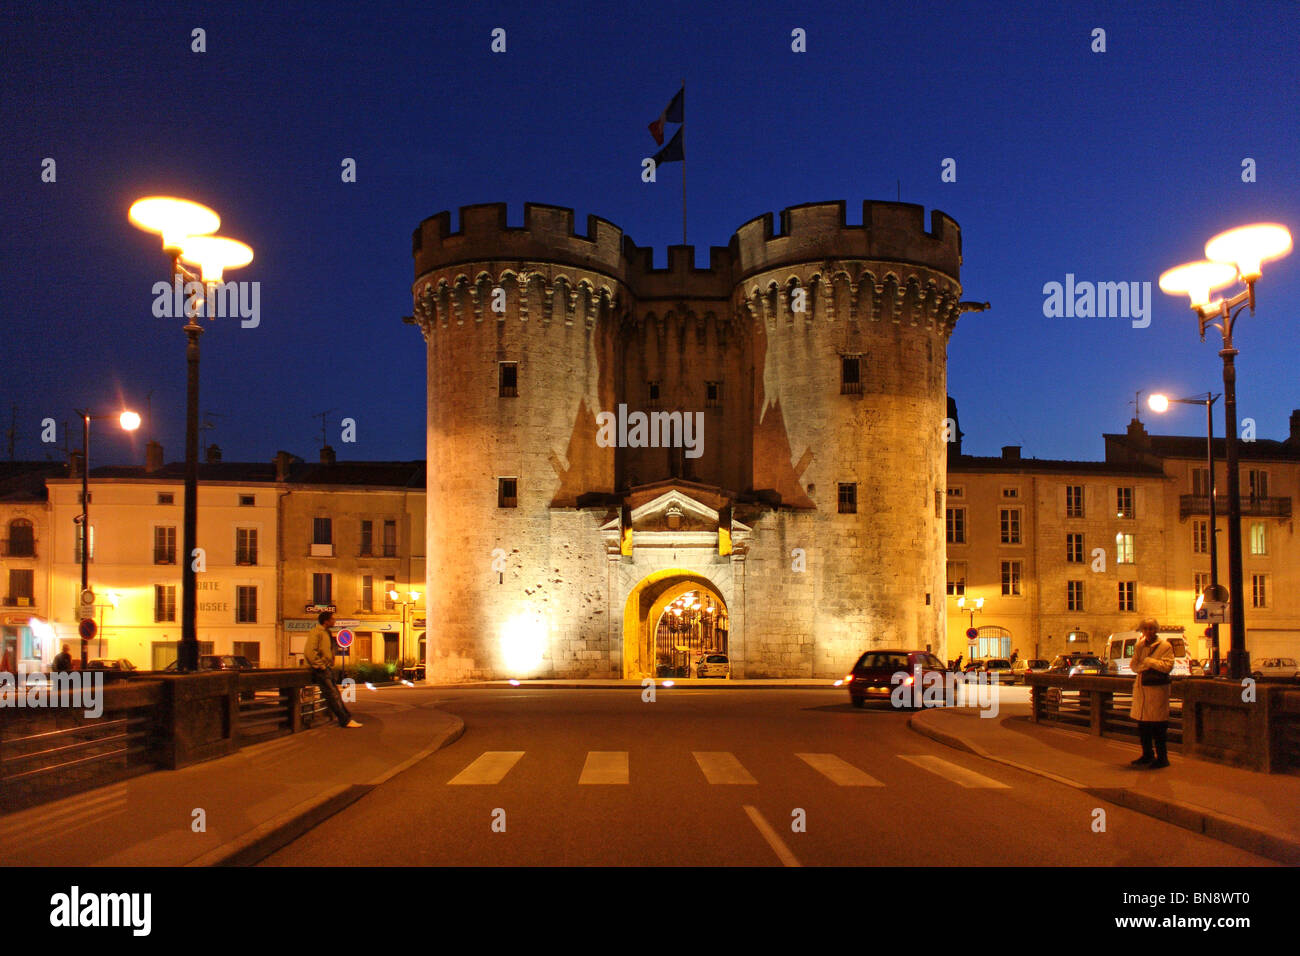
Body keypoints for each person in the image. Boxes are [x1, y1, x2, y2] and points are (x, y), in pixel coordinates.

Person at [302, 611, 362, 728]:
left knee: (335, 694)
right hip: (320, 670)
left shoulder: (326, 633)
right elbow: (309, 652)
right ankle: (345, 720)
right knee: (332, 695)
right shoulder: (316, 632)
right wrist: (320, 665)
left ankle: (346, 718)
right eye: (332, 619)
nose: (334, 621)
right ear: (326, 621)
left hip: (326, 668)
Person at [1129, 618, 1174, 768]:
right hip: (1142, 691)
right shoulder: (1139, 645)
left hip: (1157, 691)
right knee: (1143, 727)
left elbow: (1167, 666)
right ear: (1143, 630)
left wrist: (1149, 662)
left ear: (1157, 630)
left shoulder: (1165, 646)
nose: (1149, 631)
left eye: (1152, 628)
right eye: (1146, 628)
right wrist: (1144, 666)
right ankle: (1147, 754)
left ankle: (1162, 758)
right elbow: (1134, 665)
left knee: (1158, 727)